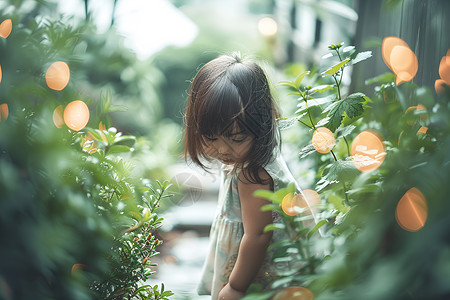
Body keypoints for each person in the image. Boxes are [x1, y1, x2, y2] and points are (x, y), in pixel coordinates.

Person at [183, 53, 316, 300]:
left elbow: (257, 235)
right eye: (211, 138)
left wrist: (236, 287)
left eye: (237, 138)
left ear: (261, 124)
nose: (223, 150)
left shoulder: (252, 174)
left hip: (261, 273)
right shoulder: (249, 156)